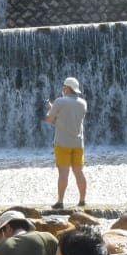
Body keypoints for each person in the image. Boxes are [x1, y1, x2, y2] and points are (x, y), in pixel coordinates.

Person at [43, 77, 88, 209]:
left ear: (67, 88)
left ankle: (60, 201)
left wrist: (52, 109)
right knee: (79, 172)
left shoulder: (59, 101)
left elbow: (49, 119)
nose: (62, 89)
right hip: (78, 143)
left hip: (62, 143)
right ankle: (82, 200)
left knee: (63, 173)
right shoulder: (83, 103)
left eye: (64, 87)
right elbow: (71, 119)